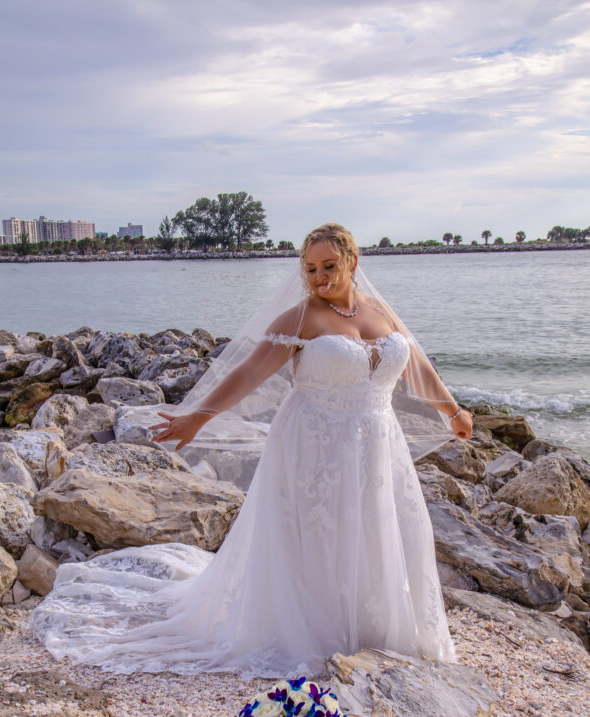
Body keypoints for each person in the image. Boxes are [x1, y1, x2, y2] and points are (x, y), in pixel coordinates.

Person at [32, 223, 472, 679]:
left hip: (380, 444)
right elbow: (247, 374)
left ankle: (375, 629)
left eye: (329, 267)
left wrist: (452, 412)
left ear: (352, 262)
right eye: (311, 270)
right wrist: (198, 416)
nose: (320, 278)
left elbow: (416, 368)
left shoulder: (382, 311)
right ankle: (317, 633)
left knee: (374, 527)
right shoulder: (299, 319)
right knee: (321, 534)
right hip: (315, 444)